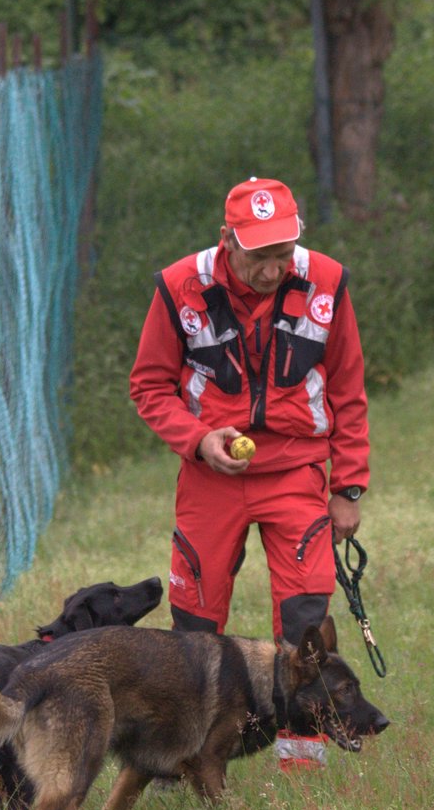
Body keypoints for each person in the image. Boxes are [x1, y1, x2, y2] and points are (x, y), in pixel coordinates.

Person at [129, 177, 370, 649]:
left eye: (282, 254)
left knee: (306, 616)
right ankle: (195, 723)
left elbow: (348, 390)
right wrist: (198, 440)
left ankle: (305, 725)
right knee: (194, 619)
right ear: (226, 239)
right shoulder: (179, 286)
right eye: (258, 257)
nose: (271, 270)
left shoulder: (328, 281)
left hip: (295, 469)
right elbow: (149, 386)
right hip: (210, 475)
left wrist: (348, 487)